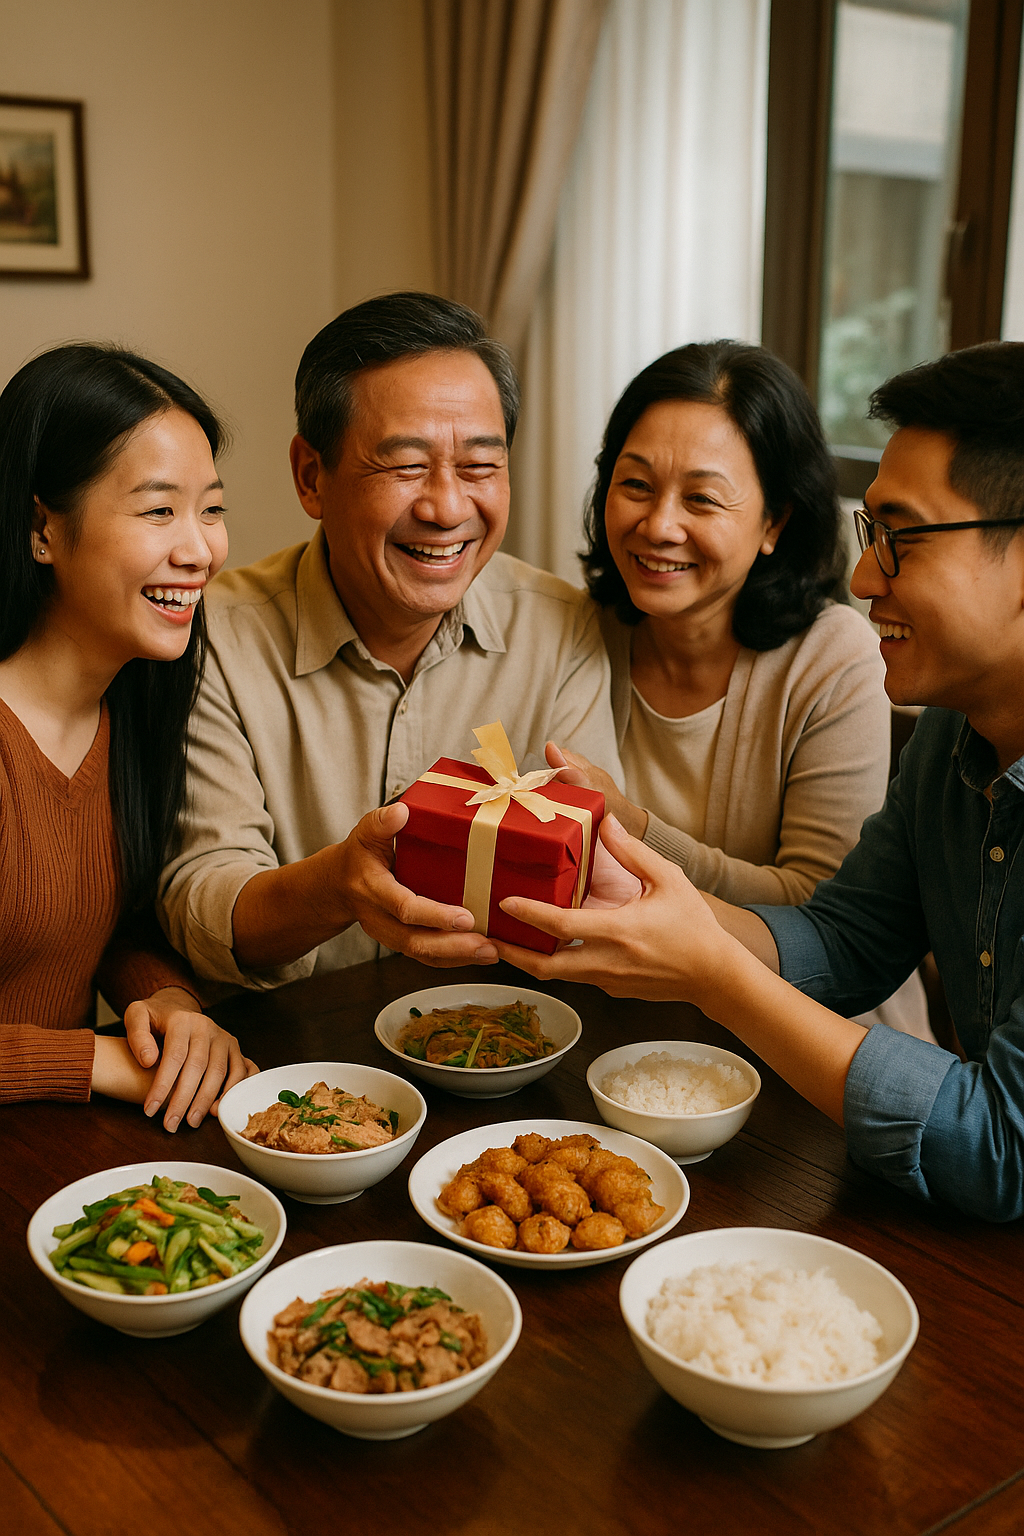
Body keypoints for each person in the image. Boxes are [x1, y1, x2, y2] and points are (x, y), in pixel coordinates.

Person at [493, 341, 1024, 1222]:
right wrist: (654, 906)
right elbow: (848, 940)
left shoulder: (838, 661)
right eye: (870, 534)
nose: (862, 578)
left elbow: (1001, 1144)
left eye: (900, 539)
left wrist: (711, 969)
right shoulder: (951, 733)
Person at [158, 292, 621, 988]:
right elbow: (202, 902)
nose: (447, 508)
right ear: (312, 477)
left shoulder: (559, 626)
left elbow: (591, 861)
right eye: (406, 466)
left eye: (479, 466)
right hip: (292, 1063)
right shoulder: (213, 636)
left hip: (508, 1034)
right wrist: (337, 887)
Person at [546, 339, 927, 1035]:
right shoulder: (579, 632)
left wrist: (635, 829)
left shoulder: (833, 656)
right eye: (635, 485)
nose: (659, 525)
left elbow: (819, 911)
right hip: (636, 1029)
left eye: (702, 499)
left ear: (775, 522)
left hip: (819, 1038)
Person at [0, 344, 256, 1126]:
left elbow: (91, 924)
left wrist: (166, 998)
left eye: (210, 509)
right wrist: (94, 1059)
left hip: (61, 1149)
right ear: (42, 528)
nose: (199, 550)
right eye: (158, 510)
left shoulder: (132, 705)